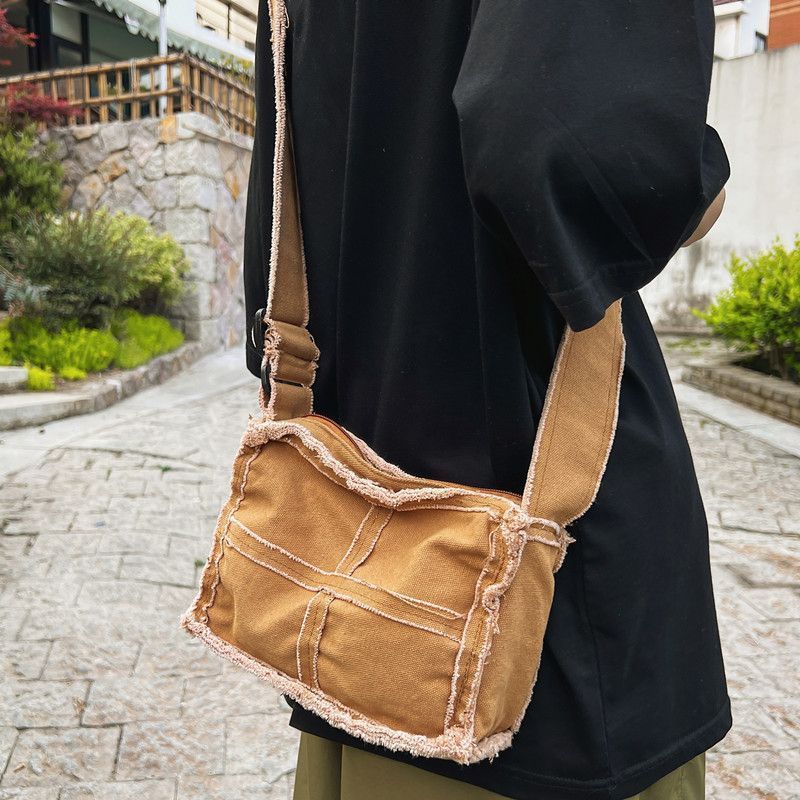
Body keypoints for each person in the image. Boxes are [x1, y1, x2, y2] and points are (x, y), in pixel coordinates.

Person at [242, 1, 731, 798]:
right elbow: (566, 149)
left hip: (352, 606)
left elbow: (279, 208)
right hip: (552, 607)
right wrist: (696, 182)